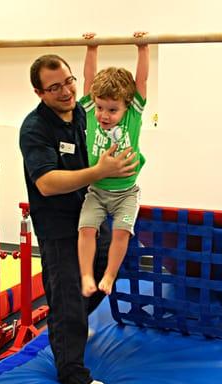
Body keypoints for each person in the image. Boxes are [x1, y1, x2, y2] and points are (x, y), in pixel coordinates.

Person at [19, 54, 138, 384]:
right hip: (58, 226)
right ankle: (73, 375)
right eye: (54, 87)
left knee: (110, 267)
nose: (66, 91)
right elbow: (46, 182)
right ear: (39, 92)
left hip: (90, 215)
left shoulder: (86, 114)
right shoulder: (35, 128)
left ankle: (70, 321)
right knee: (68, 297)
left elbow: (128, 104)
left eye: (68, 82)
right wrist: (99, 172)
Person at [77, 32, 149, 297]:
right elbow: (88, 79)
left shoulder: (133, 115)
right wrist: (92, 47)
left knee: (121, 233)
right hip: (95, 191)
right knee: (85, 230)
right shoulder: (90, 113)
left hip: (126, 193)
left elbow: (141, 80)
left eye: (112, 110)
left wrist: (143, 48)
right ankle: (86, 275)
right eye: (100, 108)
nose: (104, 115)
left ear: (126, 106)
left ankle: (109, 274)